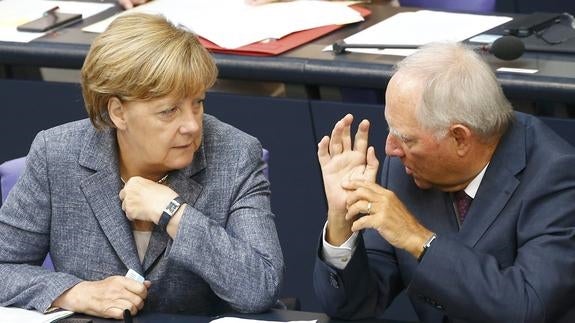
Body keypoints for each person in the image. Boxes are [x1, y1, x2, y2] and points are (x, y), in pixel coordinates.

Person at [0, 12, 283, 319]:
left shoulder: (235, 154)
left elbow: (262, 285)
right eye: (169, 111)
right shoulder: (56, 154)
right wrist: (75, 292)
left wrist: (174, 213)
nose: (191, 125)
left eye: (197, 103)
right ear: (118, 112)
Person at [313, 41, 575, 322]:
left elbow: (528, 306)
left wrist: (420, 240)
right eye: (391, 130)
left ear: (460, 137)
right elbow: (353, 307)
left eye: (406, 138)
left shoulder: (555, 175)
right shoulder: (404, 168)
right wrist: (341, 221)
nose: (390, 149)